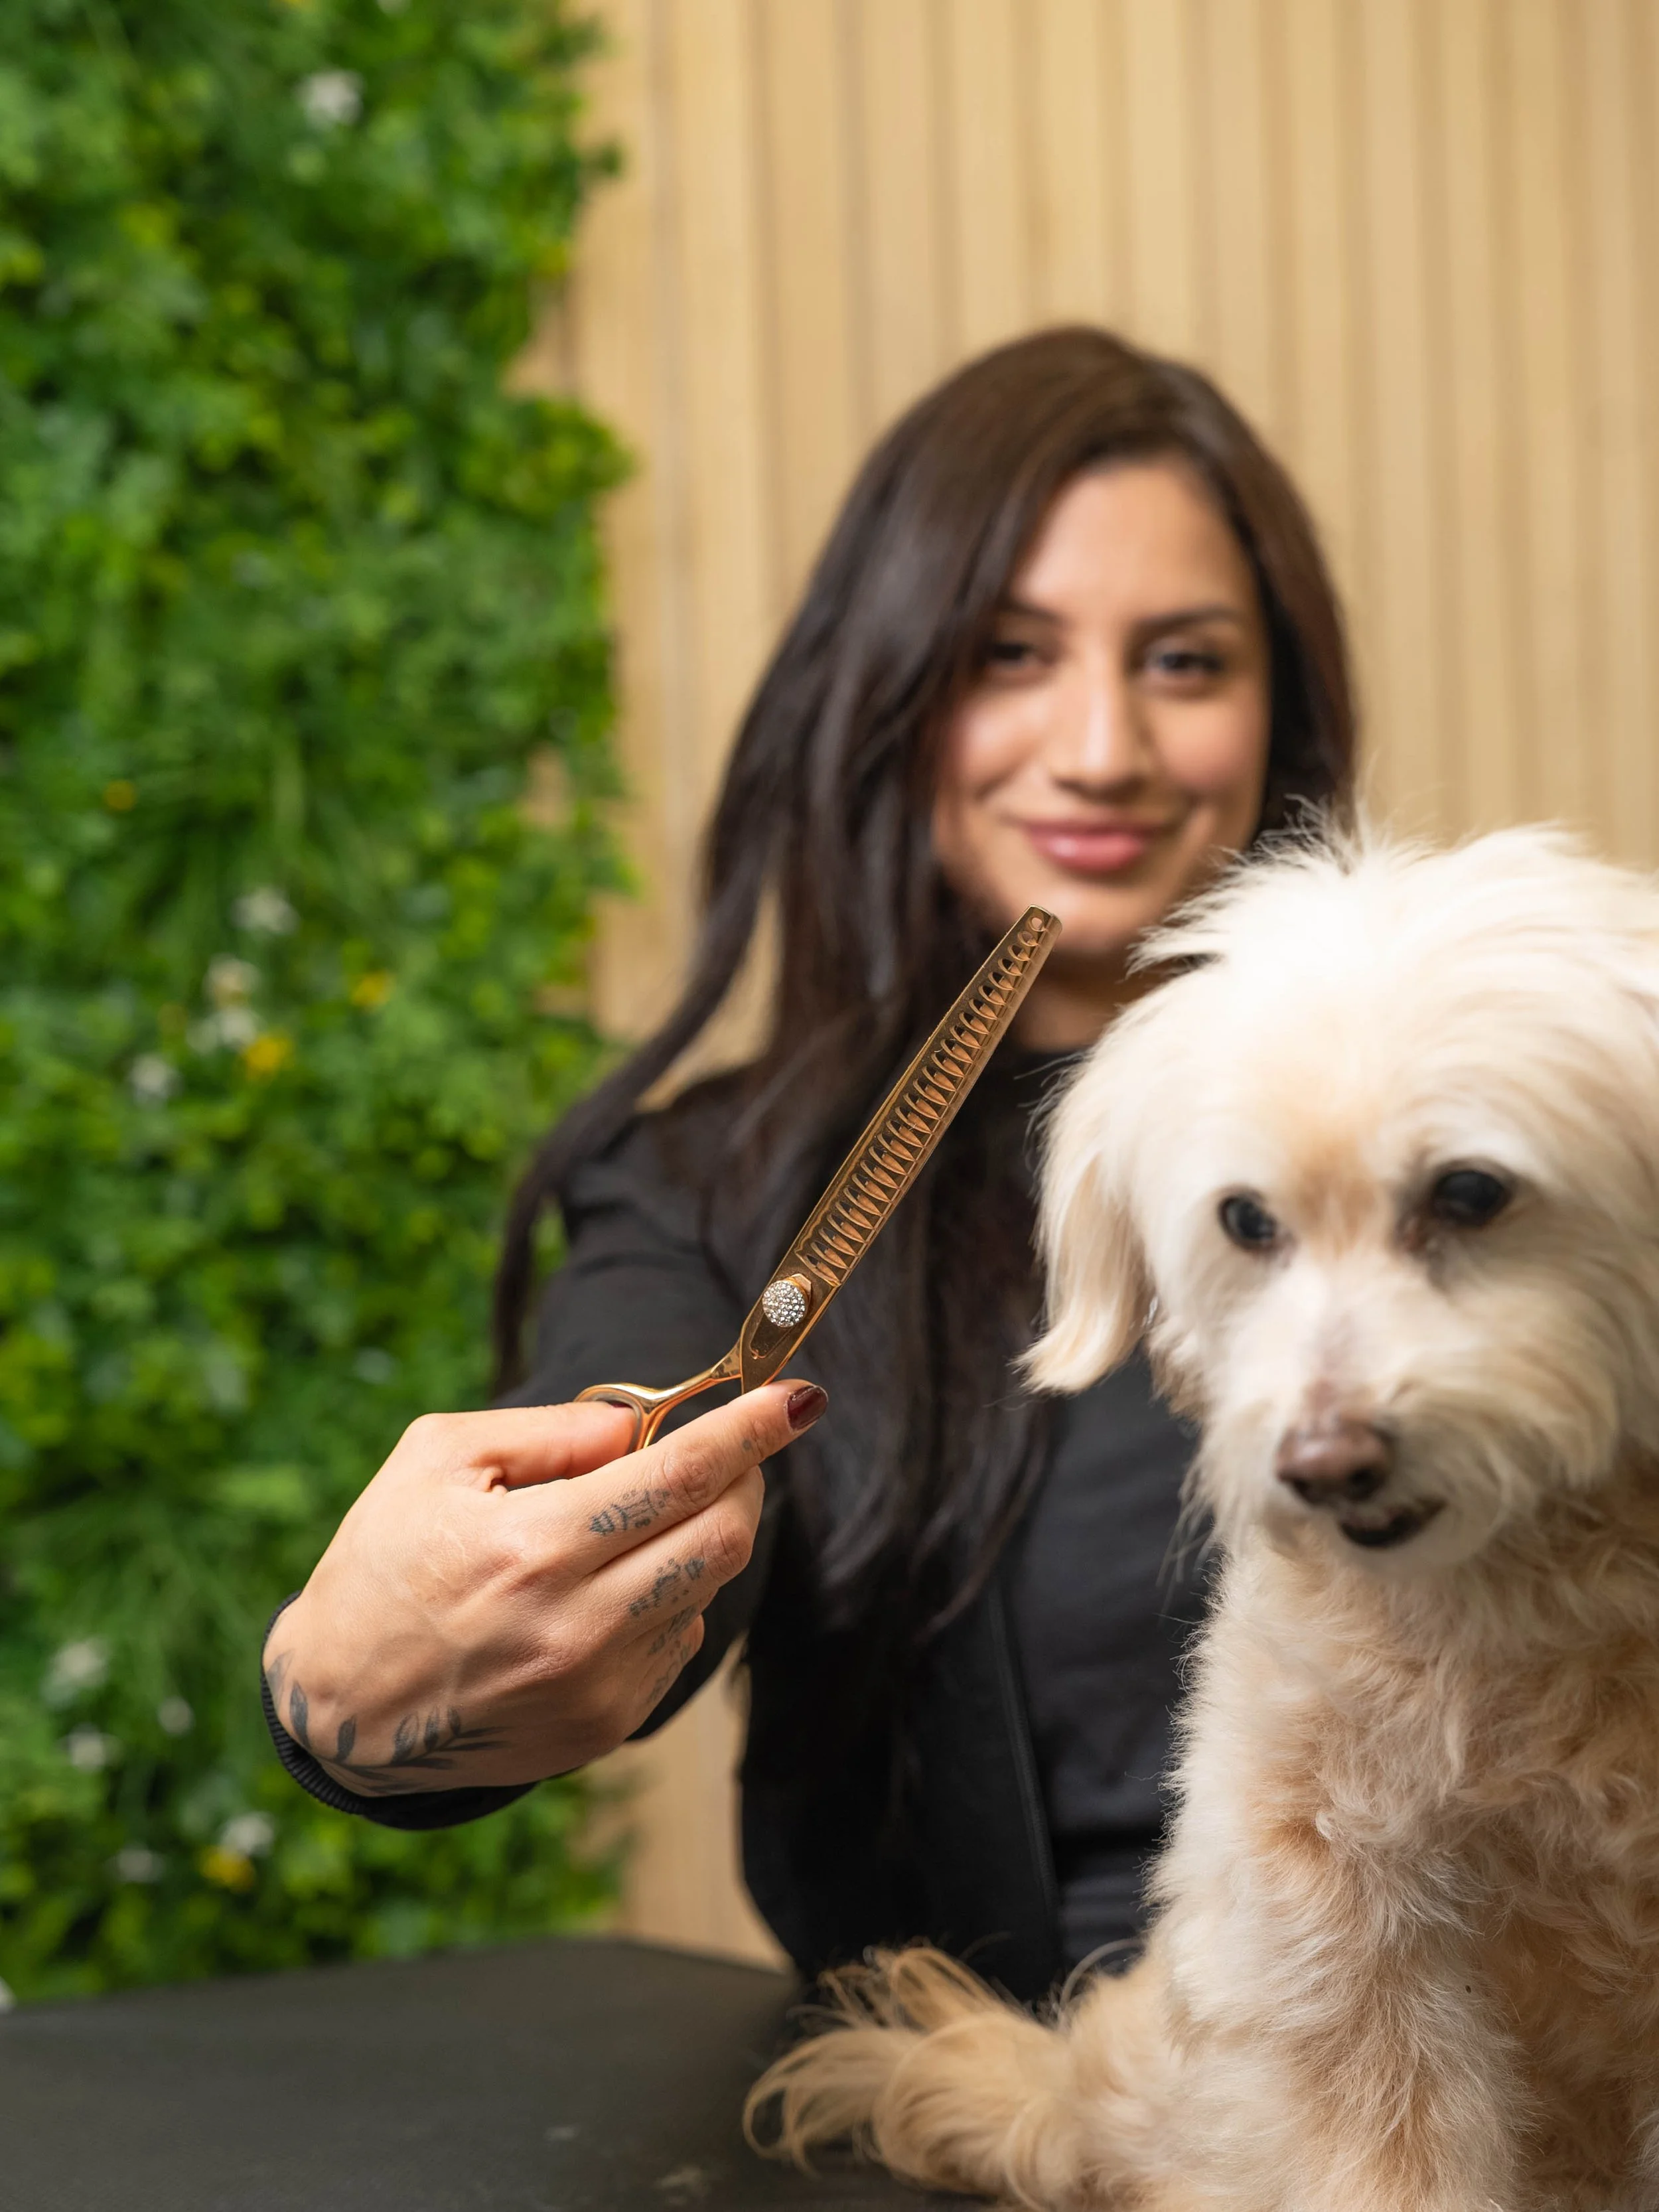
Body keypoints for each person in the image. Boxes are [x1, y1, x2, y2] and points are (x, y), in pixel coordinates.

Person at [261, 327, 1356, 2002]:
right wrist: (370, 1700)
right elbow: (609, 1464)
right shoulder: (705, 1195)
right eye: (1007, 653)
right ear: (888, 687)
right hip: (991, 2104)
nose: (1101, 746)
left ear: (1279, 707)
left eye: (1184, 662)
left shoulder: (1476, 1130)